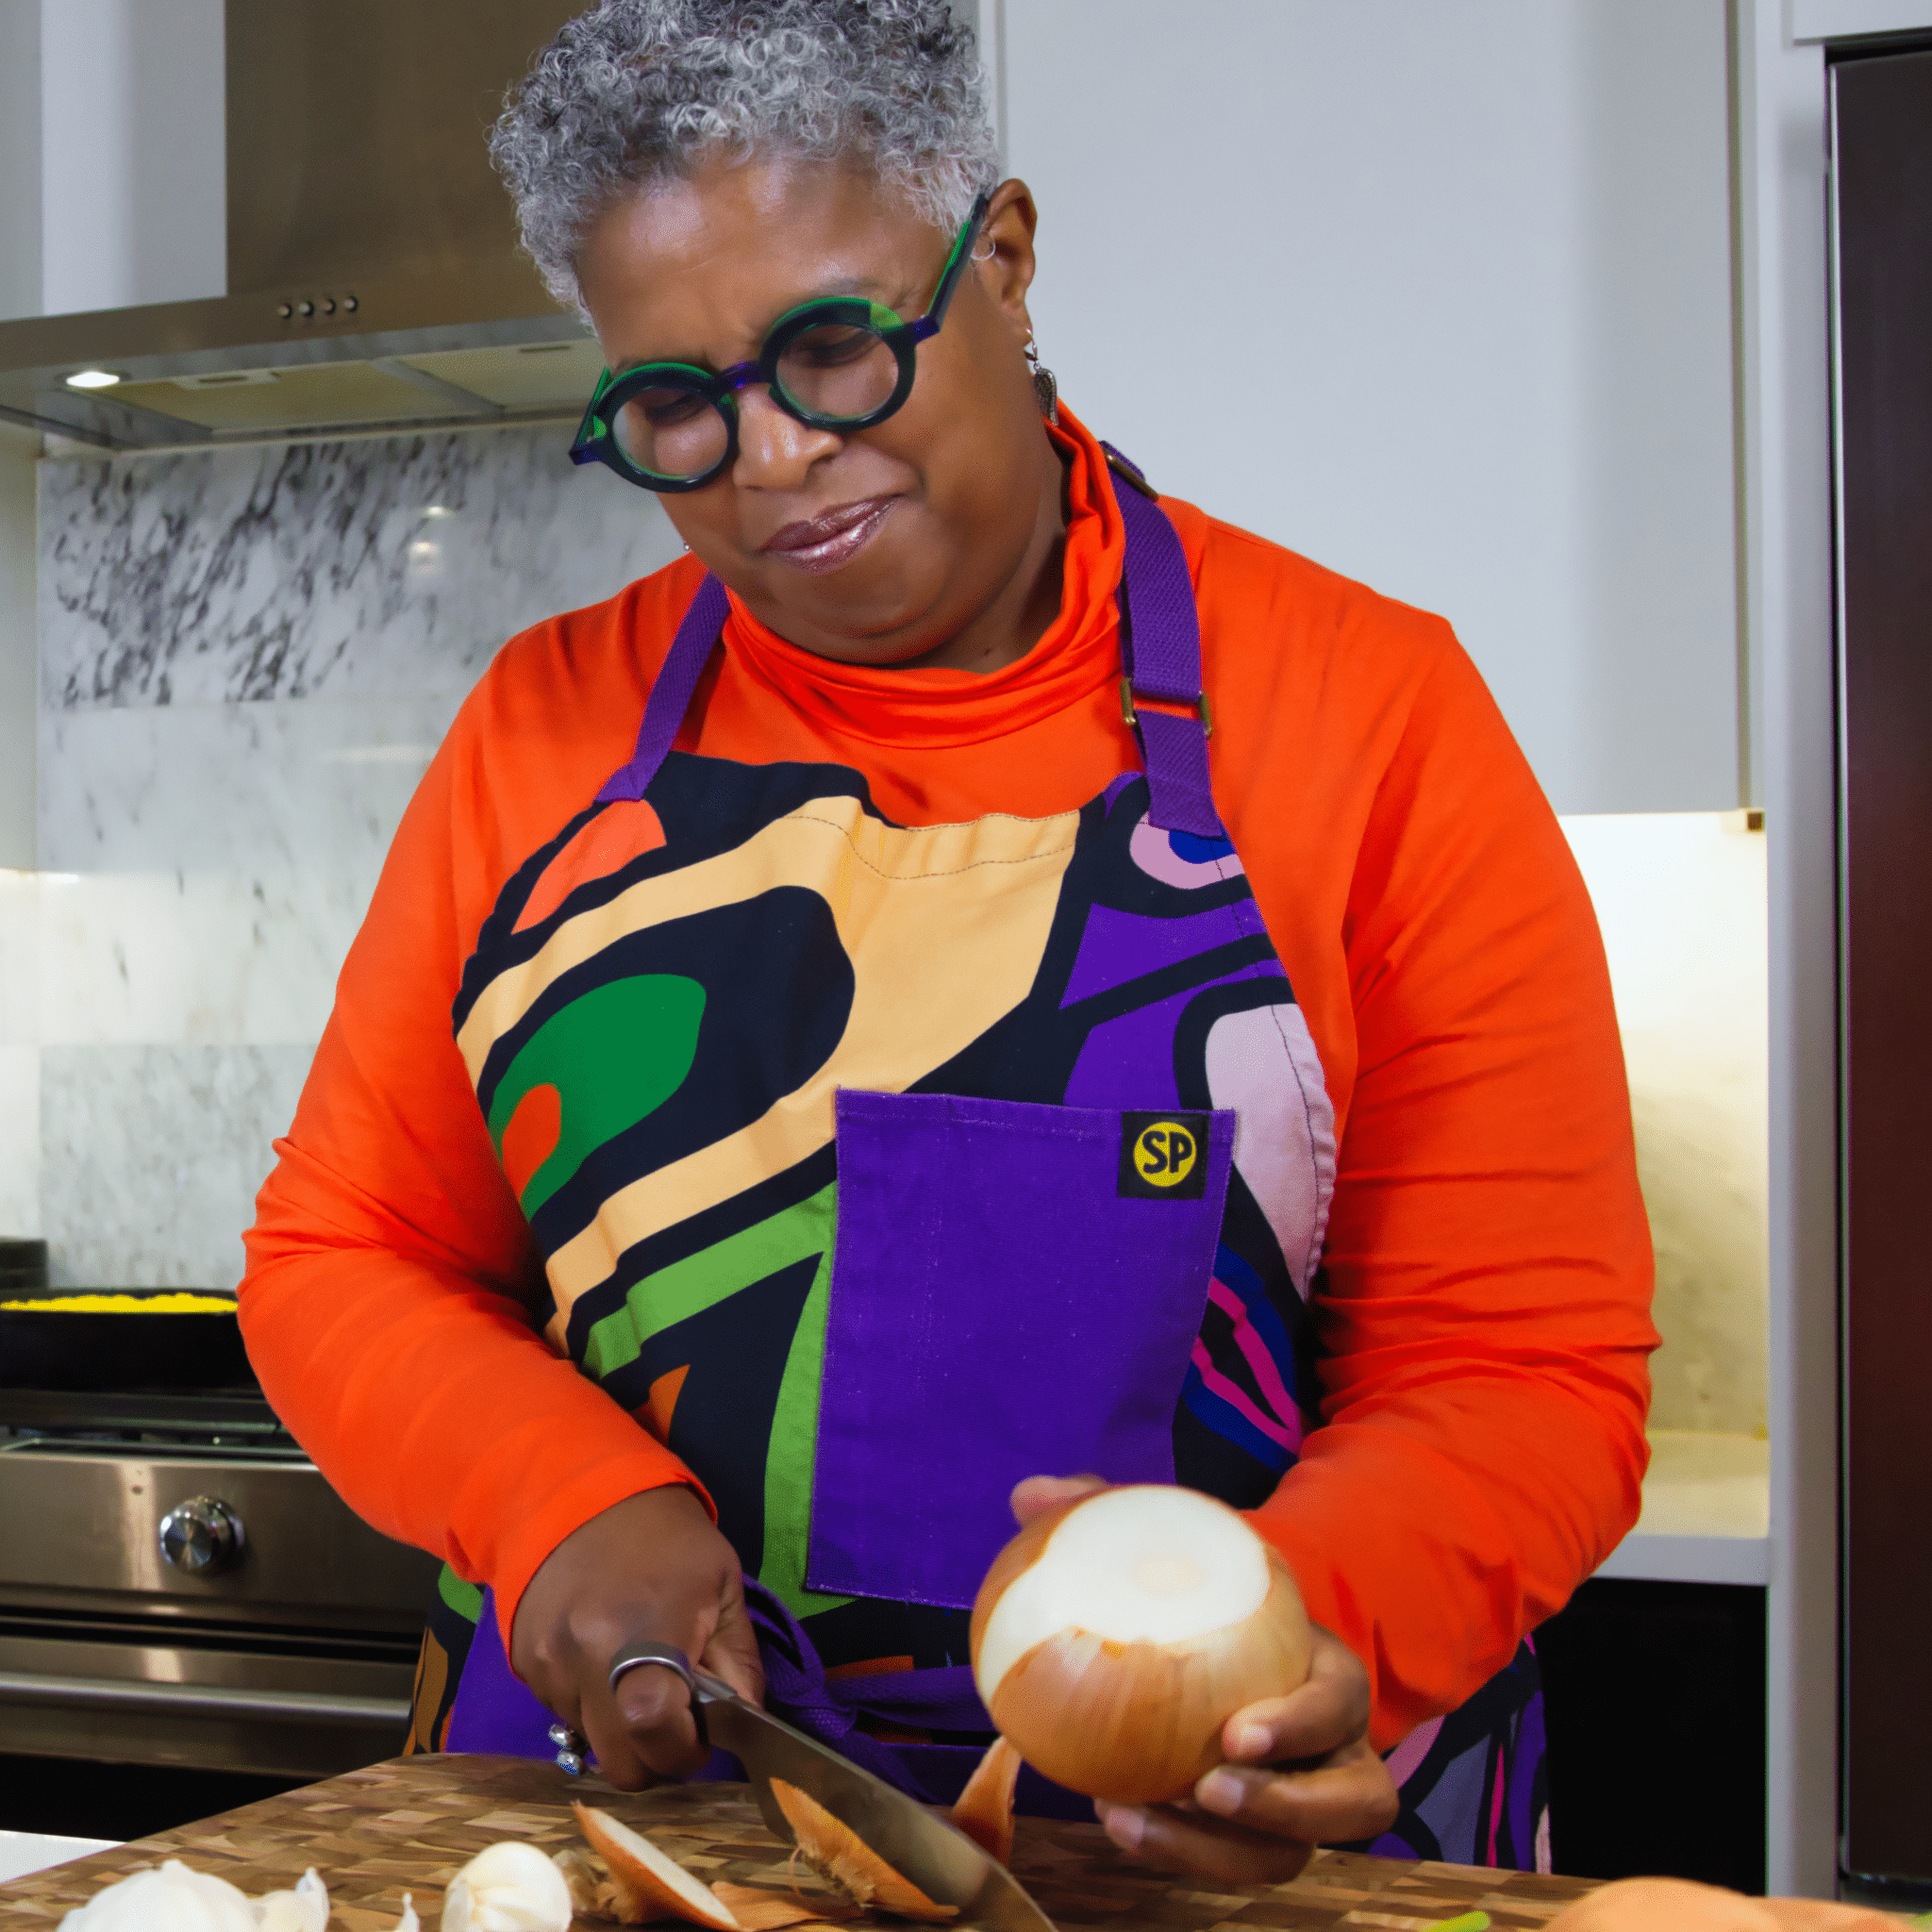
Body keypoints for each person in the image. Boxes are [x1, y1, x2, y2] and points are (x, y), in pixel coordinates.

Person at [239, 0, 1656, 1886]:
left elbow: (1518, 1364)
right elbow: (348, 1250)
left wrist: (1302, 1636)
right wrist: (557, 1498)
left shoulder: (1358, 710)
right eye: (673, 403)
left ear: (999, 257)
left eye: (830, 349)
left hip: (1191, 1861)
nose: (766, 462)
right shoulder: (544, 731)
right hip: (616, 1828)